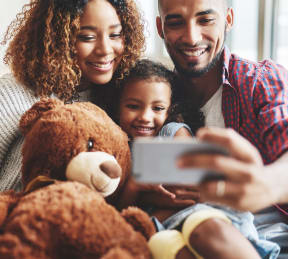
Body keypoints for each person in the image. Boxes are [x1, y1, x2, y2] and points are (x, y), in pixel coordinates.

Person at [155, 0, 288, 257]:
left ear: (228, 20)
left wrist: (266, 183)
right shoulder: (155, 100)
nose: (192, 37)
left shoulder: (260, 81)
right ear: (160, 27)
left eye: (205, 20)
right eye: (175, 22)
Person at [117, 59, 279, 259]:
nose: (145, 116)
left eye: (157, 109)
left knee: (203, 230)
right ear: (117, 107)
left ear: (170, 111)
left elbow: (192, 194)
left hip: (208, 215)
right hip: (168, 229)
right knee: (161, 245)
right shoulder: (122, 150)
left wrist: (150, 211)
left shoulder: (171, 132)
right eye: (133, 106)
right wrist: (134, 186)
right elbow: (121, 215)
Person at [0, 0, 144, 192]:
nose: (105, 49)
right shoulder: (13, 92)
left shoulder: (125, 97)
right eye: (87, 37)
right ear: (57, 37)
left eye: (115, 34)